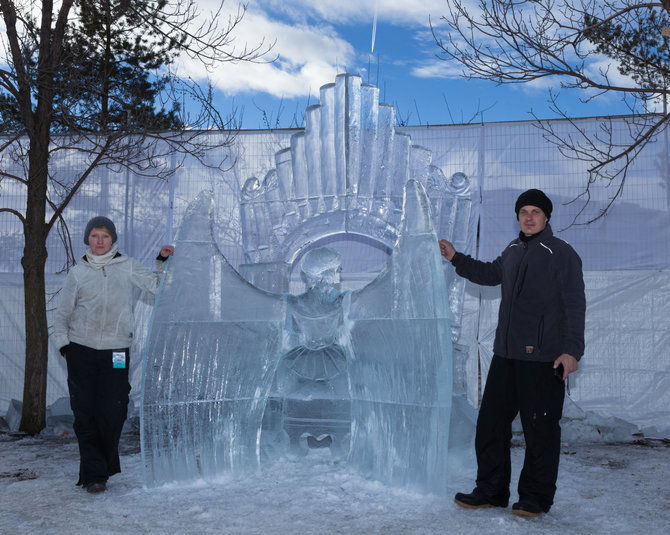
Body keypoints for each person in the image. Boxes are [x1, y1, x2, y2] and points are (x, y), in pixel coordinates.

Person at [439, 189, 585, 517]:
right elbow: (490, 274)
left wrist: (572, 351)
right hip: (506, 356)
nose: (529, 217)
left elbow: (575, 305)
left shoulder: (561, 253)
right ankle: (491, 489)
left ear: (546, 217)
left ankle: (535, 497)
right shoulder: (513, 249)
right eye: (523, 212)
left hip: (544, 358)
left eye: (535, 211)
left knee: (540, 430)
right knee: (490, 424)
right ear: (518, 217)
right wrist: (455, 258)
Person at [53, 216, 174, 493]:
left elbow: (159, 288)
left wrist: (162, 261)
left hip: (116, 351)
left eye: (104, 236)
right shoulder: (78, 272)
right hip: (81, 350)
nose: (99, 241)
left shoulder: (127, 266)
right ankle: (95, 475)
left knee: (113, 412)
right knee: (85, 414)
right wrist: (64, 346)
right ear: (87, 239)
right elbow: (62, 315)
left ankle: (100, 468)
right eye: (94, 236)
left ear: (113, 240)